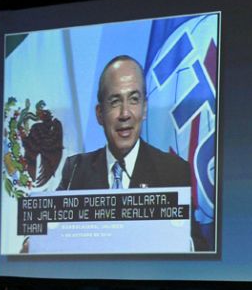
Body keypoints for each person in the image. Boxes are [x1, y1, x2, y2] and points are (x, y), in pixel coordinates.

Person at [57, 55, 190, 191]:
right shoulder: (75, 171)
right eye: (115, 102)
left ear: (144, 109)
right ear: (100, 113)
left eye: (134, 99)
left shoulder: (175, 173)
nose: (125, 114)